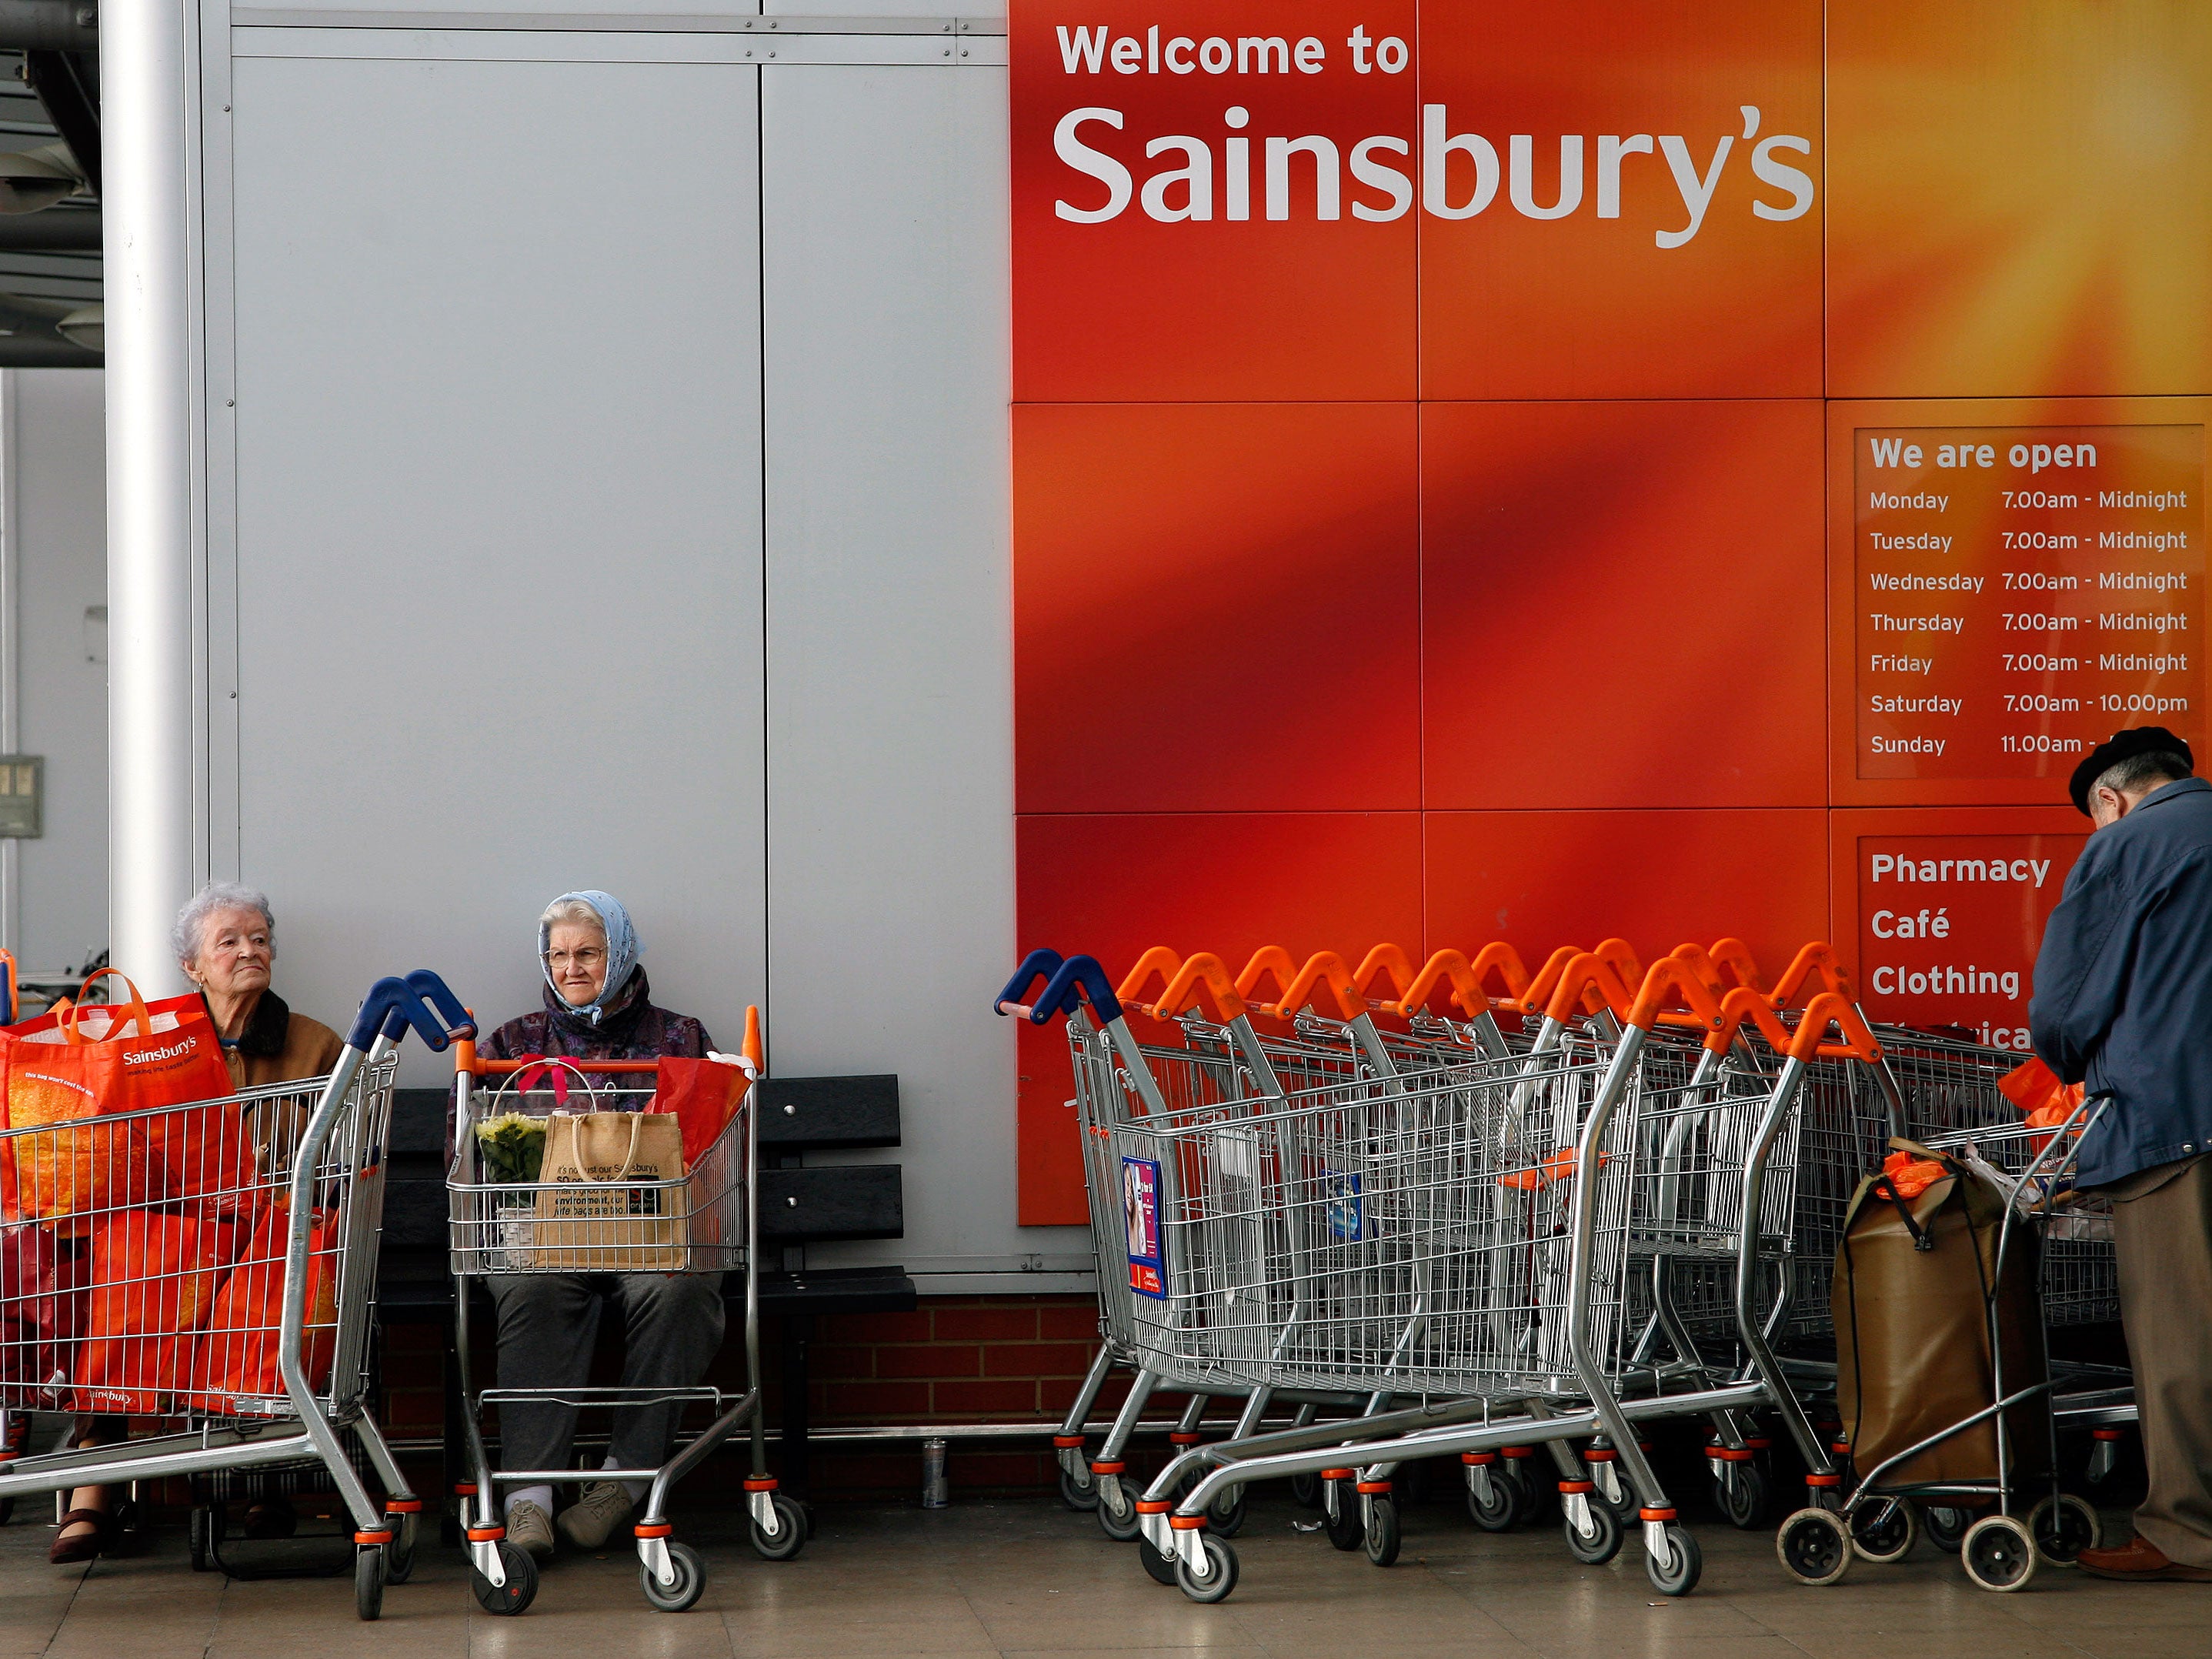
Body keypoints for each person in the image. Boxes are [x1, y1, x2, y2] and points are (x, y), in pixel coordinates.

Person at [53, 883, 345, 1564]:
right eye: (230, 941)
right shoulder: (155, 1042)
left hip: (270, 1233)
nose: (250, 951)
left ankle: (260, 1477)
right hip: (174, 1237)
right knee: (129, 1264)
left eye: (259, 939)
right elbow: (115, 1150)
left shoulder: (317, 1044)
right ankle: (97, 1470)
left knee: (270, 1275)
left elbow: (342, 1161)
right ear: (193, 968)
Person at [477, 890, 725, 1561]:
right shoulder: (513, 1042)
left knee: (679, 1291)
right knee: (532, 1292)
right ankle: (528, 1500)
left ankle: (620, 1482)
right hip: (547, 1240)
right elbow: (467, 1154)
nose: (571, 967)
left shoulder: (681, 1038)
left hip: (650, 1236)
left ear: (619, 954)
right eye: (558, 955)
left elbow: (707, 1144)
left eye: (588, 952)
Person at [2030, 726, 2212, 1583]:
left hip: (2175, 1120)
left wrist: (2072, 1062)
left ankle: (2187, 1531)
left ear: (2109, 798)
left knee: (2182, 1336)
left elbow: (2064, 1009)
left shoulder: (2128, 846)